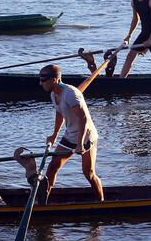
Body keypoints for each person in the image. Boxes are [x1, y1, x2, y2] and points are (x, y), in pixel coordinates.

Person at [36, 64, 104, 204]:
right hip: (70, 135)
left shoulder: (71, 94)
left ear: (54, 80)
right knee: (52, 167)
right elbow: (59, 113)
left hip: (86, 136)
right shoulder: (53, 94)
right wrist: (54, 135)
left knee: (89, 173)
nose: (40, 83)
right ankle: (43, 203)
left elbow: (83, 119)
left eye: (43, 80)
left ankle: (101, 203)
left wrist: (80, 144)